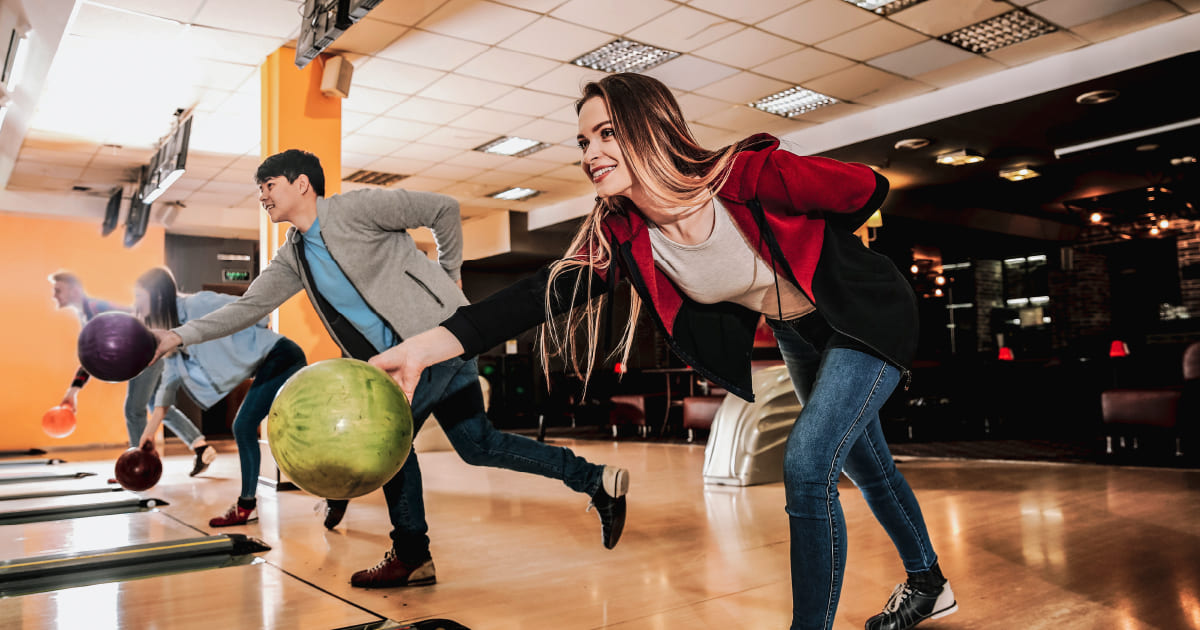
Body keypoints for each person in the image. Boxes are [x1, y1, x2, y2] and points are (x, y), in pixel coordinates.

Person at [370, 73, 955, 630]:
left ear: (651, 129)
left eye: (607, 134)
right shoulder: (623, 232)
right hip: (797, 333)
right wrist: (424, 347)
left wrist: (809, 237)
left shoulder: (746, 176)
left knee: (806, 463)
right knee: (865, 464)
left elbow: (864, 188)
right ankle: (928, 582)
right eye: (583, 140)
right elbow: (536, 296)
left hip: (864, 318)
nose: (590, 152)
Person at [148, 149, 629, 588]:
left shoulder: (356, 209)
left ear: (302, 185)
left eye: (269, 184)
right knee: (481, 446)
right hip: (396, 363)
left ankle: (411, 554)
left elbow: (442, 209)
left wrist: (449, 277)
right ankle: (598, 480)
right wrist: (176, 336)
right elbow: (249, 306)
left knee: (387, 440)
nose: (263, 195)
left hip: (437, 344)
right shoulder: (294, 255)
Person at [134, 267, 307, 527]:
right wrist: (147, 435)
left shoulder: (198, 304)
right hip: (269, 363)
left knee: (244, 425)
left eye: (139, 296)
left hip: (281, 354)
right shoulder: (171, 343)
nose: (135, 304)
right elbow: (165, 393)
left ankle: (247, 506)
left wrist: (248, 338)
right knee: (295, 432)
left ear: (157, 296)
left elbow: (254, 310)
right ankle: (335, 493)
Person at [49, 270, 217, 475]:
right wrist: (73, 390)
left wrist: (73, 391)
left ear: (74, 290)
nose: (54, 295)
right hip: (148, 352)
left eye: (58, 290)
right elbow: (95, 356)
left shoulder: (97, 309)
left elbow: (111, 342)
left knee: (133, 410)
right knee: (156, 405)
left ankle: (138, 467)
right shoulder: (87, 312)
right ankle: (201, 447)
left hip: (149, 353)